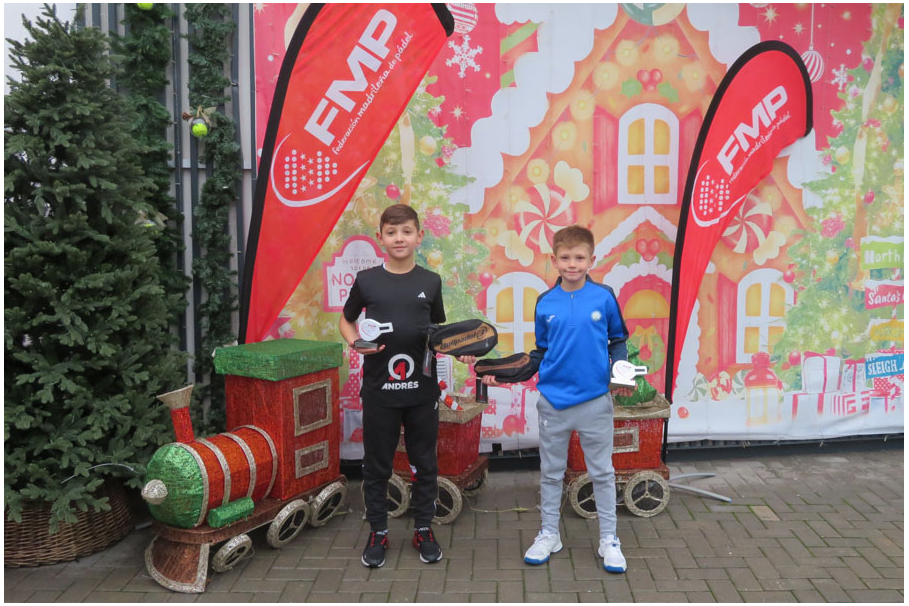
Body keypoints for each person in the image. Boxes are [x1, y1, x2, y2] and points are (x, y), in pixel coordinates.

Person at [481, 224, 633, 573]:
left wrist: (621, 371)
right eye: (565, 258)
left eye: (579, 258)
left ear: (592, 259)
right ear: (554, 260)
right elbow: (540, 353)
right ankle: (549, 533)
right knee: (551, 473)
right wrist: (505, 375)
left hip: (595, 401)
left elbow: (617, 341)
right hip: (553, 402)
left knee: (602, 473)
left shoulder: (605, 297)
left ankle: (609, 539)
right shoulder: (545, 302)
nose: (572, 264)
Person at [340, 204, 475, 568]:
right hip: (379, 392)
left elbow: (438, 335)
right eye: (391, 232)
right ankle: (378, 532)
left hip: (422, 392)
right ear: (380, 238)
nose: (399, 238)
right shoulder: (367, 280)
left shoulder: (430, 281)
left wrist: (461, 352)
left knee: (424, 463)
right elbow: (346, 321)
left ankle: (424, 529)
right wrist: (355, 343)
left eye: (406, 232)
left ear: (419, 236)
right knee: (377, 466)